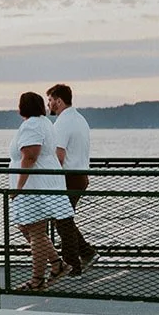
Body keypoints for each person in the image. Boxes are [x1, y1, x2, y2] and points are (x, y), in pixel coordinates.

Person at [9, 91, 80, 291]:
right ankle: (57, 264)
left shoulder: (32, 125)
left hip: (35, 187)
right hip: (42, 184)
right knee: (27, 227)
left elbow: (30, 156)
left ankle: (37, 280)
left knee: (36, 232)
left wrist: (18, 188)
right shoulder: (43, 123)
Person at [47, 83, 96, 274]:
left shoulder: (62, 123)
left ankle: (72, 265)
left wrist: (49, 179)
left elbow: (59, 156)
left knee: (62, 221)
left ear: (59, 101)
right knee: (63, 220)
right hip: (81, 175)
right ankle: (86, 254)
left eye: (50, 100)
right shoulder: (79, 119)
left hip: (68, 178)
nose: (48, 104)